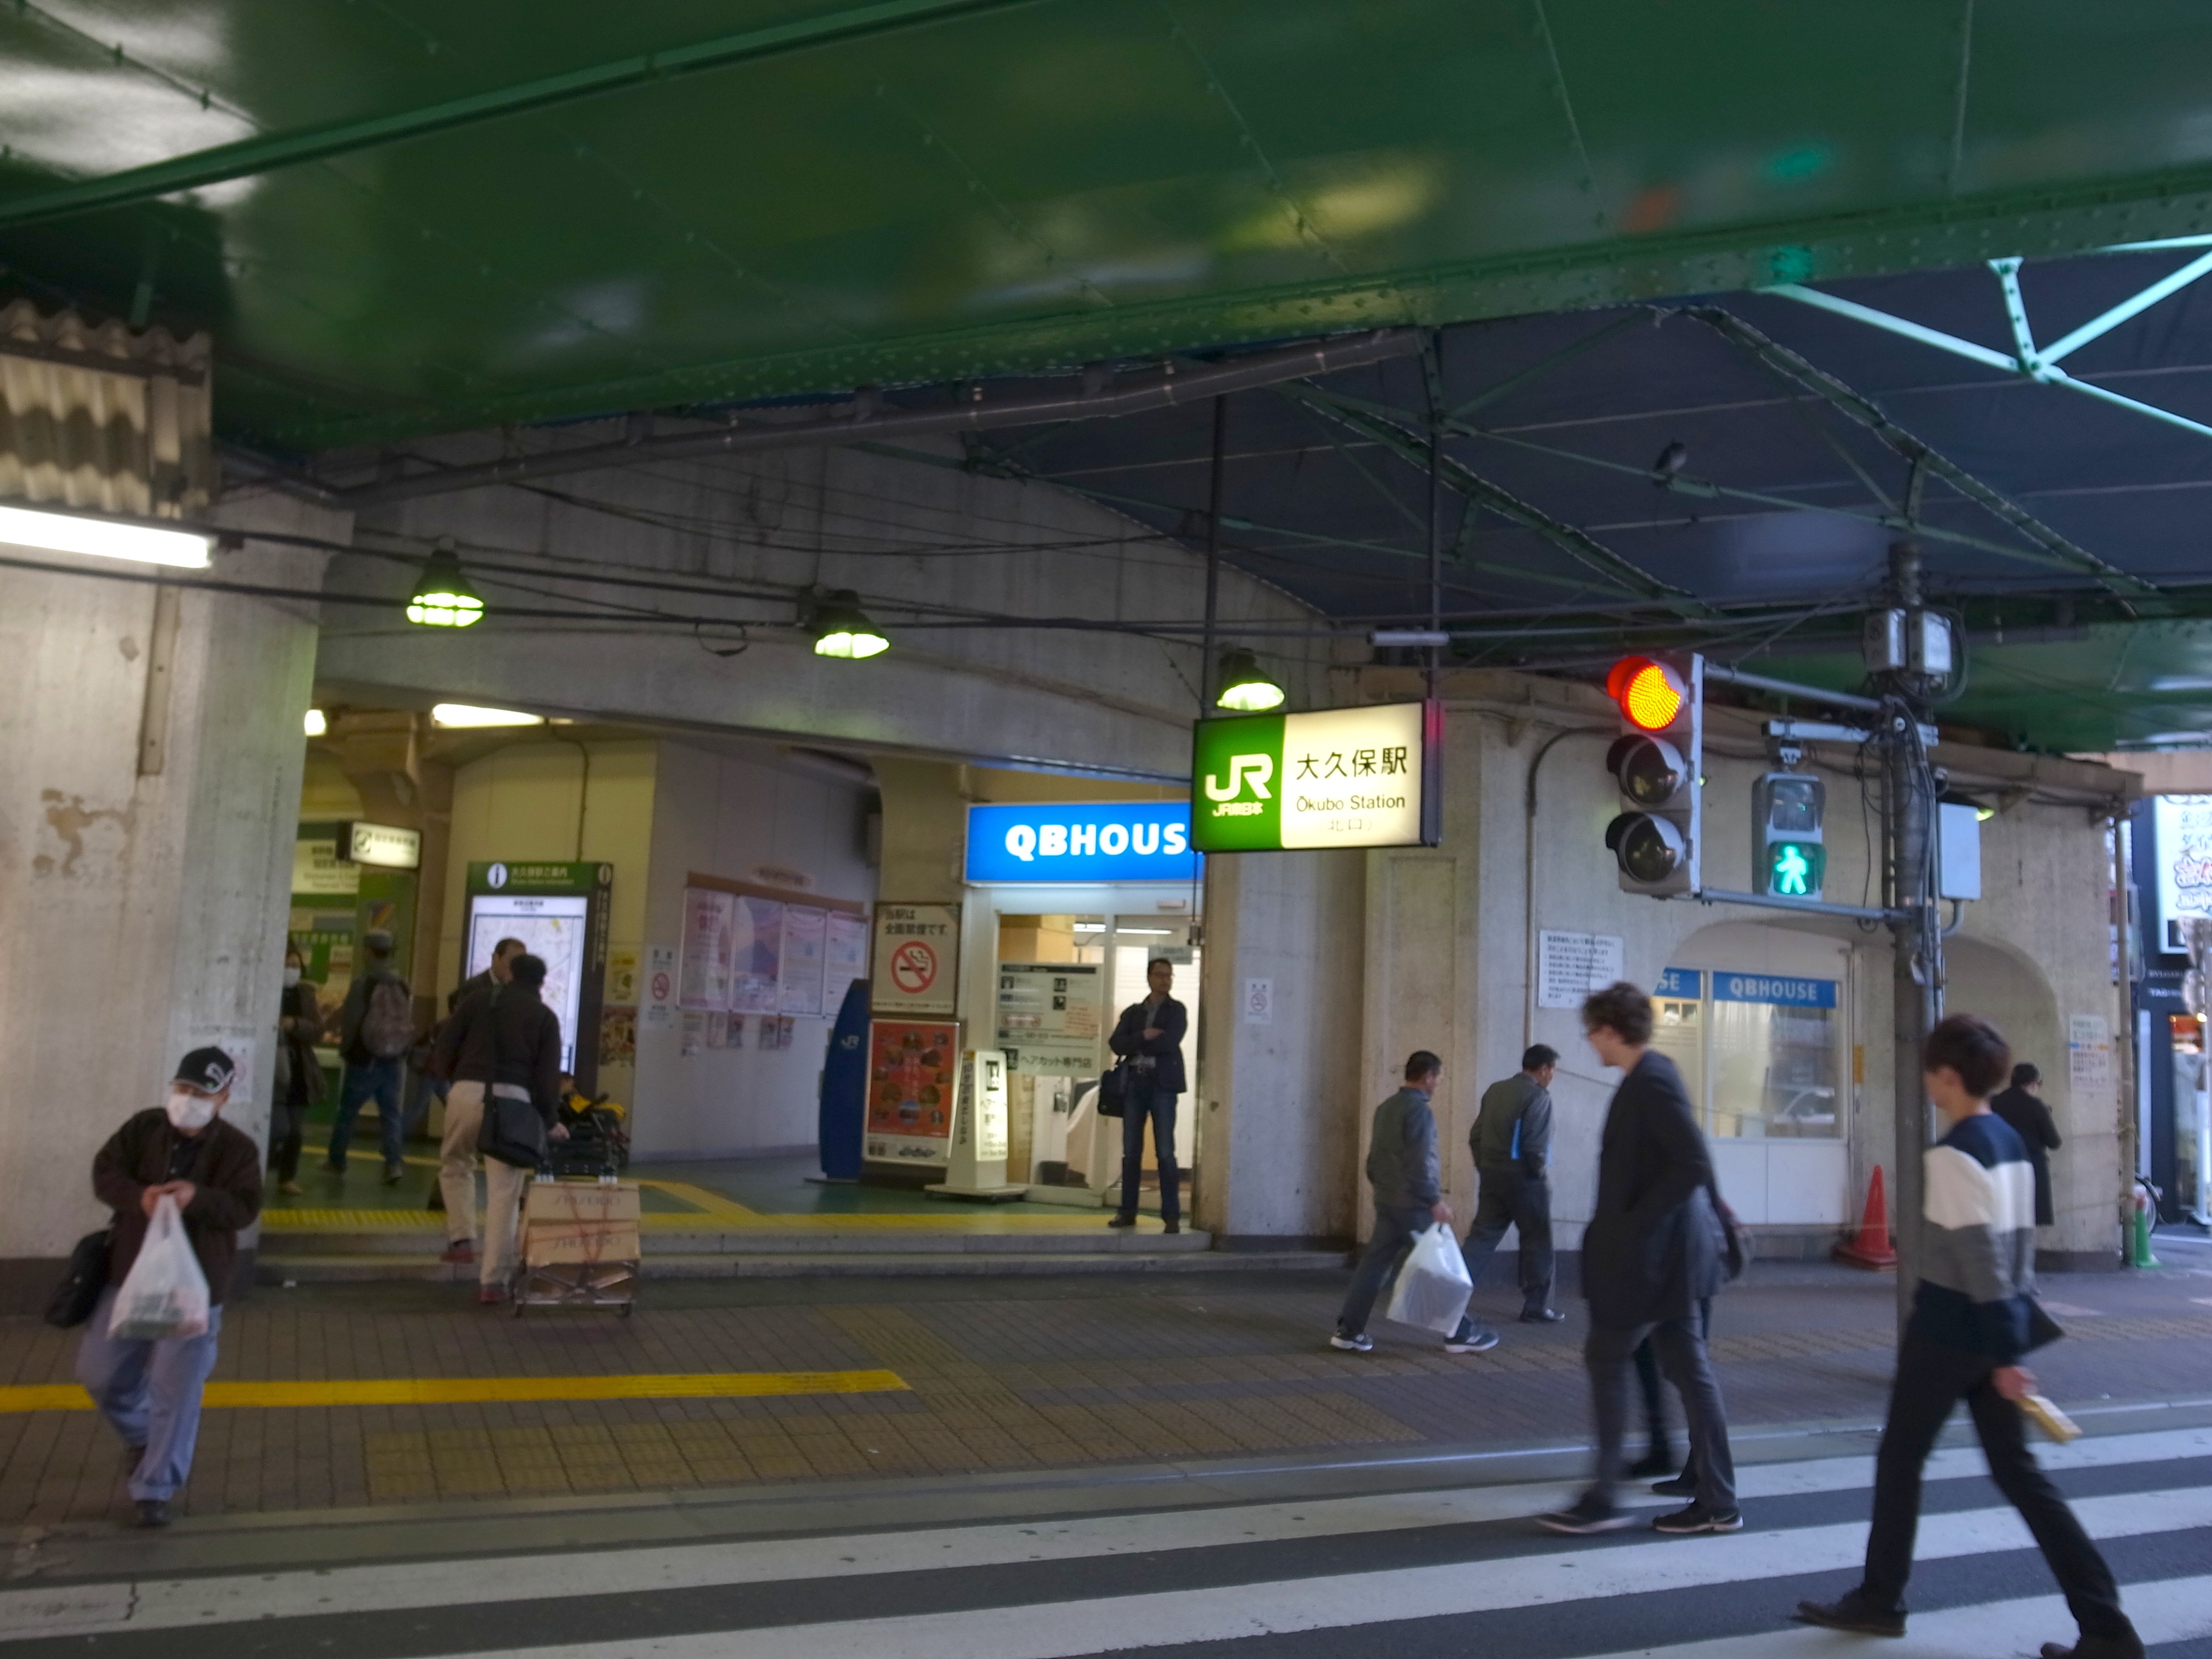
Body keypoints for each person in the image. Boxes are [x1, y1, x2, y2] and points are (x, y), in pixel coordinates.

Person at [1797, 1015, 2141, 1659]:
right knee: (2020, 1476)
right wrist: (2009, 1338)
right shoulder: (2008, 1140)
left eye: (1931, 1068)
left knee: (1901, 1460)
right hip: (1993, 1325)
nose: (1926, 1078)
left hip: (1951, 1329)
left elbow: (1980, 1258)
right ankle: (2107, 1628)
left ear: (1947, 1078)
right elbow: (2017, 1253)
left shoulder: (1955, 1154)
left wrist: (2007, 1355)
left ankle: (1880, 1598)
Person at [1540, 981, 1739, 1537]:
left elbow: (1691, 1161)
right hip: (1668, 1262)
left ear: (1610, 1030)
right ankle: (1718, 1500)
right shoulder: (1652, 1076)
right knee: (1689, 1370)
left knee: (1608, 1361)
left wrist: (1632, 1227)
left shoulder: (1650, 1081)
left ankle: (1604, 1498)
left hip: (1652, 1264)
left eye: (1592, 1031)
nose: (1589, 1041)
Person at [76, 1047, 263, 1527]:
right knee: (100, 1372)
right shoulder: (144, 1129)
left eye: (201, 1093)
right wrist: (139, 1196)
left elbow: (243, 1208)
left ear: (222, 1097)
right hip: (129, 1276)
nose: (188, 1100)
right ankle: (141, 1436)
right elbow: (105, 1172)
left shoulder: (237, 1150)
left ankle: (154, 1487)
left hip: (195, 1286)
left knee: (175, 1389)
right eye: (182, 1089)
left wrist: (196, 1198)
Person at [1332, 1052, 1495, 1354]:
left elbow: (1375, 1159)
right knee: (1439, 1267)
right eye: (1439, 1077)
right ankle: (1460, 1332)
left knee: (1373, 1266)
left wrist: (1383, 1188)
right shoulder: (1419, 1112)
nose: (1439, 1083)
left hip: (1387, 1200)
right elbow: (1422, 1162)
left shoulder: (1386, 1108)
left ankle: (1349, 1330)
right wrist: (1434, 1201)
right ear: (1429, 1076)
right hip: (1413, 1205)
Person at [431, 953, 566, 1302]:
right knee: (504, 1192)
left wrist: (453, 1078)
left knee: (456, 1163)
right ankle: (492, 1282)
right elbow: (546, 1077)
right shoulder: (544, 1017)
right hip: (513, 1101)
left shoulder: (478, 1000)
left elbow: (446, 1042)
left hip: (465, 1091)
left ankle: (461, 1239)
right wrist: (550, 1120)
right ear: (541, 983)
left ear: (509, 975)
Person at [1446, 1044, 1563, 1349]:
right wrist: (1537, 1175)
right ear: (1545, 1069)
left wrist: (1486, 1166)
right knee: (1538, 1239)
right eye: (1553, 1071)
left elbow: (1476, 1135)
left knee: (1481, 1240)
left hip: (1493, 1177)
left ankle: (1449, 1296)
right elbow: (1535, 1147)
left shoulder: (1495, 1091)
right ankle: (1537, 1307)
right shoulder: (1539, 1096)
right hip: (1525, 1180)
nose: (1552, 1077)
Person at [410, 937, 526, 1207]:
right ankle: (443, 1201)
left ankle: (452, 1199)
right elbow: (456, 1037)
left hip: (499, 1082)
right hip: (470, 1079)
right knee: (461, 1148)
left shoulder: (518, 994)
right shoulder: (474, 991)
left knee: (485, 1146)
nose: (514, 969)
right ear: (495, 959)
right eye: (511, 962)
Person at [1105, 958, 1188, 1235]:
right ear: (1149, 977)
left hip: (1163, 1086)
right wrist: (1144, 1035)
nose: (1166, 979)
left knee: (1165, 1151)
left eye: (1169, 975)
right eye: (1160, 975)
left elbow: (1170, 1041)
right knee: (1131, 1152)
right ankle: (1127, 1212)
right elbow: (1116, 1043)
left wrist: (1138, 1044)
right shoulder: (1133, 1013)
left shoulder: (1177, 1011)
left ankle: (1172, 1215)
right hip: (1134, 1086)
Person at [327, 929, 414, 1185]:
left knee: (348, 1112)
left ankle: (337, 1160)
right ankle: (393, 1164)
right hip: (394, 1060)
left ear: (368, 952)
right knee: (391, 1115)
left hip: (365, 1061)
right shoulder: (402, 983)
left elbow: (352, 1021)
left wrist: (346, 1050)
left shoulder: (363, 984)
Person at [269, 946, 323, 1196]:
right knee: (280, 1127)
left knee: (296, 1130)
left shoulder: (305, 995)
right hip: (271, 1067)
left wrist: (295, 1024)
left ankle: (286, 1177)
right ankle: (265, 1166)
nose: (291, 970)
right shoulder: (266, 990)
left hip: (299, 1068)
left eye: (295, 965)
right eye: (287, 965)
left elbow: (317, 1029)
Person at [1991, 1061, 2063, 1228]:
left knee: (2004, 1217)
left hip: (2000, 1166)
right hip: (2031, 1168)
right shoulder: (2037, 1106)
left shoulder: (1995, 1102)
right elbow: (2054, 1142)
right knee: (2027, 1219)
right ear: (2034, 1084)